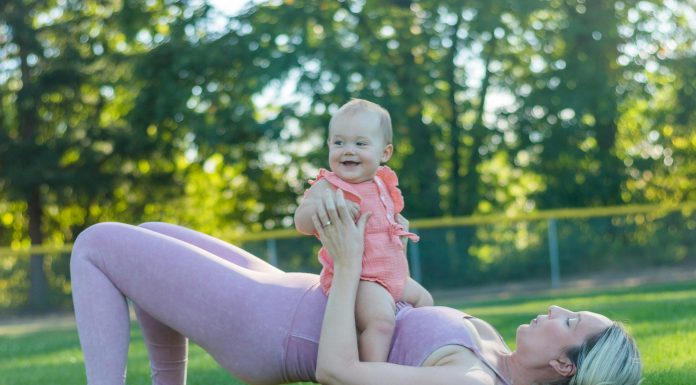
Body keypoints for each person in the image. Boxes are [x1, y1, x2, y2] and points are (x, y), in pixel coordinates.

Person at [71, 189, 642, 385]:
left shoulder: (470, 380)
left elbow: (339, 372)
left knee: (97, 243)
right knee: (148, 235)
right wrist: (387, 252)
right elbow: (405, 315)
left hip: (265, 325)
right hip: (287, 294)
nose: (555, 309)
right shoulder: (492, 349)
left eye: (570, 322)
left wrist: (347, 266)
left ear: (567, 368)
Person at [294, 98, 432, 362]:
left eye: (360, 143)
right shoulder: (330, 186)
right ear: (329, 146)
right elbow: (301, 221)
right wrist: (331, 207)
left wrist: (399, 223)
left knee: (426, 302)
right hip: (360, 279)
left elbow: (385, 217)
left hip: (394, 275)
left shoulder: (383, 183)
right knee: (380, 321)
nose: (348, 150)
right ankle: (369, 372)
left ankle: (411, 360)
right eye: (339, 142)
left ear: (385, 153)